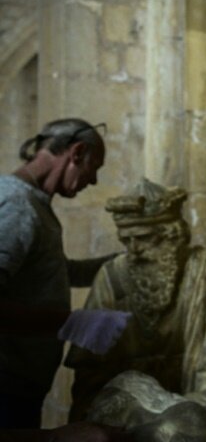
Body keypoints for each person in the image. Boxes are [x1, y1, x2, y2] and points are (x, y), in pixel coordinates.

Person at [65, 179, 206, 423]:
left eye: (143, 238)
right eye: (126, 240)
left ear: (171, 235)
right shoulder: (111, 276)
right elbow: (90, 368)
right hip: (123, 404)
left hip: (190, 400)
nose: (133, 250)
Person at [0, 118, 130, 430]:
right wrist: (70, 323)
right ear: (76, 152)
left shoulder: (34, 205)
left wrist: (122, 262)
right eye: (94, 167)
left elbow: (54, 272)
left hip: (19, 387)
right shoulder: (18, 206)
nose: (94, 180)